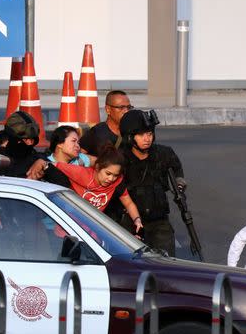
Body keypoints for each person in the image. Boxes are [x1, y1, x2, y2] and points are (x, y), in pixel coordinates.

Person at [118, 109, 186, 256]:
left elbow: (177, 169)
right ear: (130, 137)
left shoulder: (163, 153)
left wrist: (179, 185)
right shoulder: (119, 159)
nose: (147, 138)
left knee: (166, 263)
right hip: (129, 222)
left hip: (159, 221)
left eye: (149, 134)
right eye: (141, 135)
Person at [48, 145, 143, 234]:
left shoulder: (117, 183)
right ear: (97, 167)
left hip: (92, 230)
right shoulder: (82, 174)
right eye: (108, 173)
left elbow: (128, 203)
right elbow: (53, 165)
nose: (111, 179)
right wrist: (40, 163)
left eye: (115, 175)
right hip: (68, 227)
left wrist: (137, 220)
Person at [0, 110, 70, 188]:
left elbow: (64, 185)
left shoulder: (38, 160)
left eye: (32, 140)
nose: (29, 144)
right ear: (12, 139)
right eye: (26, 140)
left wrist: (45, 166)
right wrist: (29, 180)